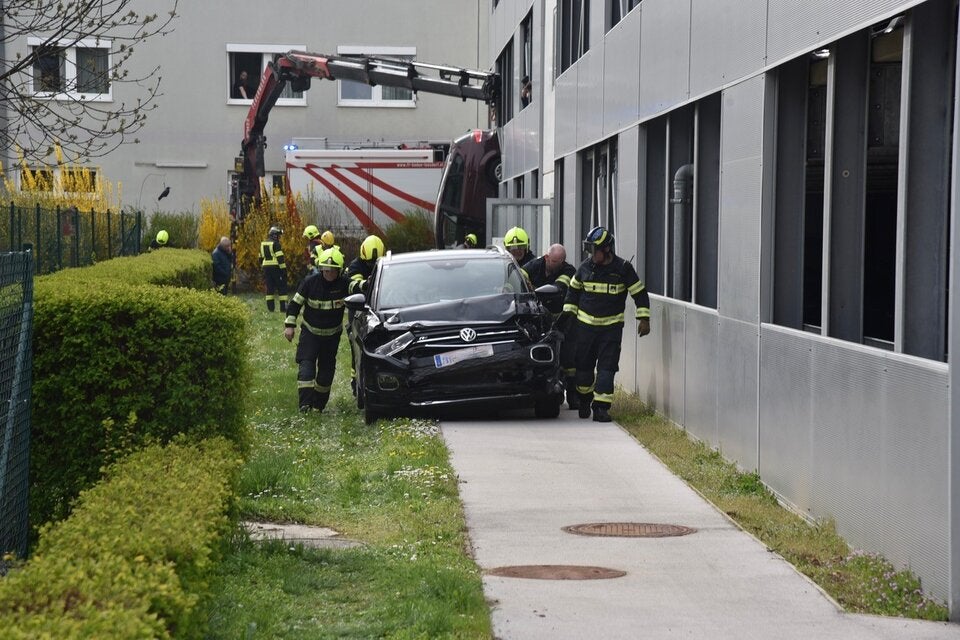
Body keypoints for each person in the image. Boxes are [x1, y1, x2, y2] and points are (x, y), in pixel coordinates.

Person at [563, 226, 651, 423]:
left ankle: (601, 408)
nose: (591, 254)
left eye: (594, 250)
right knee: (583, 370)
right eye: (589, 250)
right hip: (585, 329)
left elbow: (640, 293)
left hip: (611, 330)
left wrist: (644, 318)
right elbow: (572, 293)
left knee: (607, 368)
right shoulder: (584, 268)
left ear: (607, 250)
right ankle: (585, 399)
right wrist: (568, 316)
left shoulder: (623, 269)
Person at [283, 247, 350, 413]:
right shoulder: (309, 283)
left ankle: (318, 406)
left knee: (326, 374)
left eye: (332, 271)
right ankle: (305, 405)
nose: (328, 274)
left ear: (339, 271)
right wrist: (290, 326)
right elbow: (295, 304)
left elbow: (357, 288)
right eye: (325, 270)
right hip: (310, 333)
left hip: (332, 336)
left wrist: (366, 284)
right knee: (306, 368)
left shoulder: (344, 284)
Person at [522, 244, 578, 409]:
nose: (556, 265)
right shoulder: (535, 265)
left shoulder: (568, 271)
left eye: (560, 262)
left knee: (569, 359)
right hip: (538, 320)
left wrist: (535, 291)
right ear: (546, 257)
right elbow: (519, 276)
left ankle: (573, 396)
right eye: (554, 261)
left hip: (563, 319)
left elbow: (559, 288)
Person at [259, 225, 288, 312]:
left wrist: (263, 267)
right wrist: (284, 270)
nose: (279, 237)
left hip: (266, 268)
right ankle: (283, 308)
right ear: (274, 235)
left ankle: (271, 308)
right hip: (276, 268)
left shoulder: (262, 244)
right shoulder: (276, 244)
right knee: (282, 287)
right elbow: (280, 258)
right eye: (279, 235)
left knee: (269, 288)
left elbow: (260, 257)